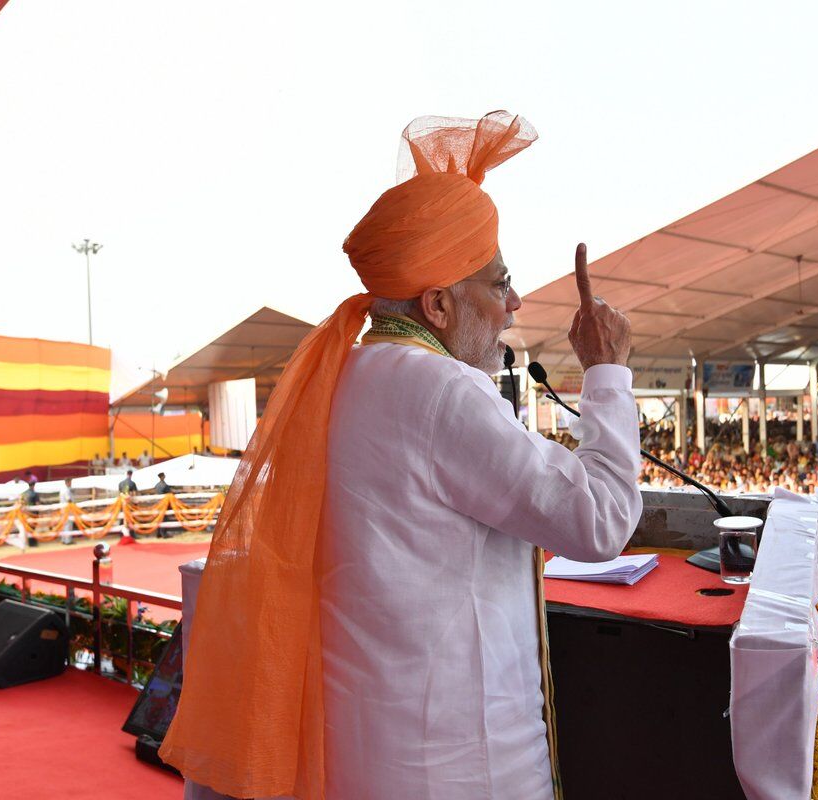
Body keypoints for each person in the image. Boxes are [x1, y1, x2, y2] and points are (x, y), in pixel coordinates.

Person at [162, 112, 640, 800]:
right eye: (498, 283)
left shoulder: (342, 376)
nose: (513, 303)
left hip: (362, 755)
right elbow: (600, 521)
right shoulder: (443, 390)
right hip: (460, 768)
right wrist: (607, 373)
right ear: (439, 305)